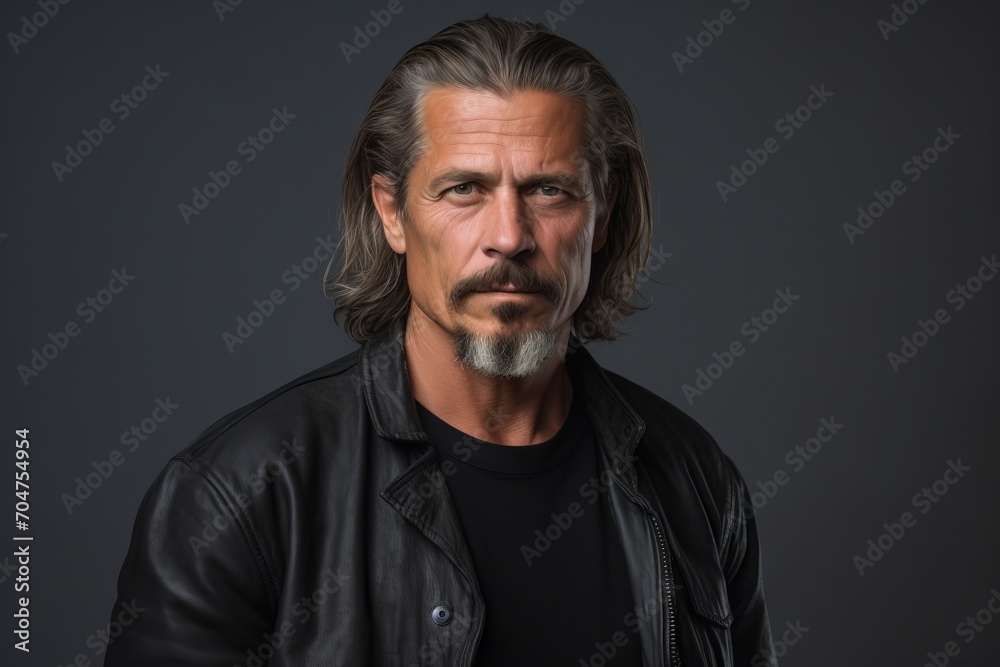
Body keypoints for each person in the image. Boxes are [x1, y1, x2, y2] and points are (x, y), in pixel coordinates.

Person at [105, 14, 774, 666]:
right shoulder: (236, 496)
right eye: (464, 189)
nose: (509, 236)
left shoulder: (695, 480)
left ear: (603, 211)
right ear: (392, 213)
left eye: (549, 190)